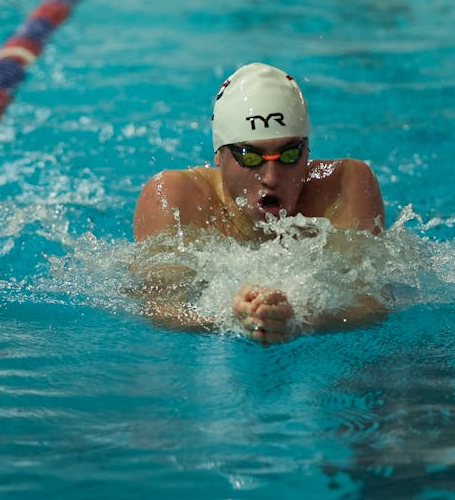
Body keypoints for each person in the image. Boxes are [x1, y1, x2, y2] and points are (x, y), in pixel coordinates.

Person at [132, 62, 387, 345]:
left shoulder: (343, 188)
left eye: (289, 154)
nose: (271, 177)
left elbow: (371, 304)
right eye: (250, 157)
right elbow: (159, 308)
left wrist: (301, 321)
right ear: (219, 154)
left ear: (307, 150)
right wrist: (229, 319)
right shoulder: (177, 198)